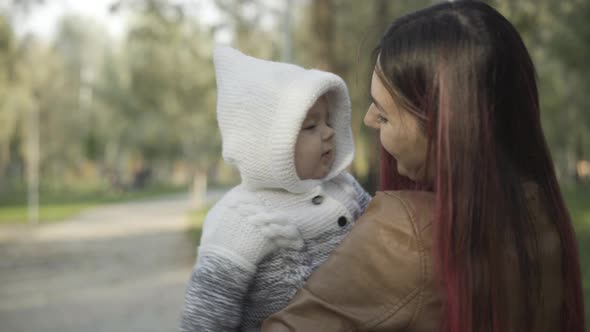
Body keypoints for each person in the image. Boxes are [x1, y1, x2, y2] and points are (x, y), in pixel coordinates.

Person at [261, 1, 586, 331]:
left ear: (447, 127)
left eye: (384, 114)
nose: (368, 119)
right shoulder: (542, 216)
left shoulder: (406, 235)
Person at [179, 46, 371, 331]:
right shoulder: (240, 222)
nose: (329, 132)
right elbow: (206, 319)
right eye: (311, 126)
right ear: (266, 146)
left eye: (329, 121)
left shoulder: (344, 187)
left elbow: (385, 236)